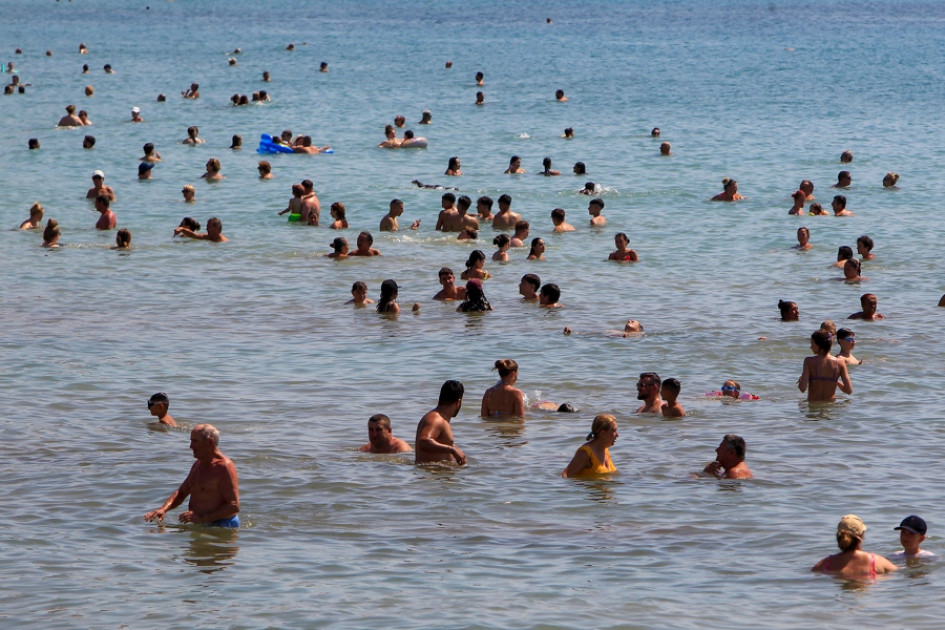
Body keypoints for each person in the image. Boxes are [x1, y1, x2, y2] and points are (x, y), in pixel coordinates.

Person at [144, 424, 240, 527]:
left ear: (210, 442)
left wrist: (202, 518)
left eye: (195, 441)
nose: (190, 446)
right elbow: (181, 493)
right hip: (201, 524)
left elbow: (234, 506)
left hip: (222, 525)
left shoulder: (224, 467)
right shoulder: (198, 465)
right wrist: (163, 509)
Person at [812, 515, 896, 578]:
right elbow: (898, 574)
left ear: (839, 537)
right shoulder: (876, 561)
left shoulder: (824, 564)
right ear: (862, 536)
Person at [415, 380, 466, 465]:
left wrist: (453, 447)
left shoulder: (440, 418)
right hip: (431, 472)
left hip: (435, 472)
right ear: (459, 402)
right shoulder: (437, 419)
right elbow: (423, 442)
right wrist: (452, 450)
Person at [798, 329, 852, 402]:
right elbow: (849, 390)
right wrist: (835, 381)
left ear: (819, 345)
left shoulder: (809, 361)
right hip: (831, 405)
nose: (811, 347)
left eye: (812, 344)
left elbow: (802, 388)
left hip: (814, 404)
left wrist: (802, 379)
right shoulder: (840, 362)